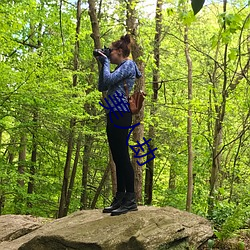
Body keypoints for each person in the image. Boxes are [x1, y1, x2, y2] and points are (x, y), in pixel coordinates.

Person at [96, 34, 142, 216]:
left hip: (121, 114)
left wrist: (105, 62)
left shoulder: (129, 65)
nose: (109, 54)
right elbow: (102, 85)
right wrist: (103, 63)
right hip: (113, 113)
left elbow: (107, 81)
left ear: (120, 52)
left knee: (122, 156)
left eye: (111, 51)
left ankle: (130, 199)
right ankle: (121, 197)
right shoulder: (119, 68)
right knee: (117, 156)